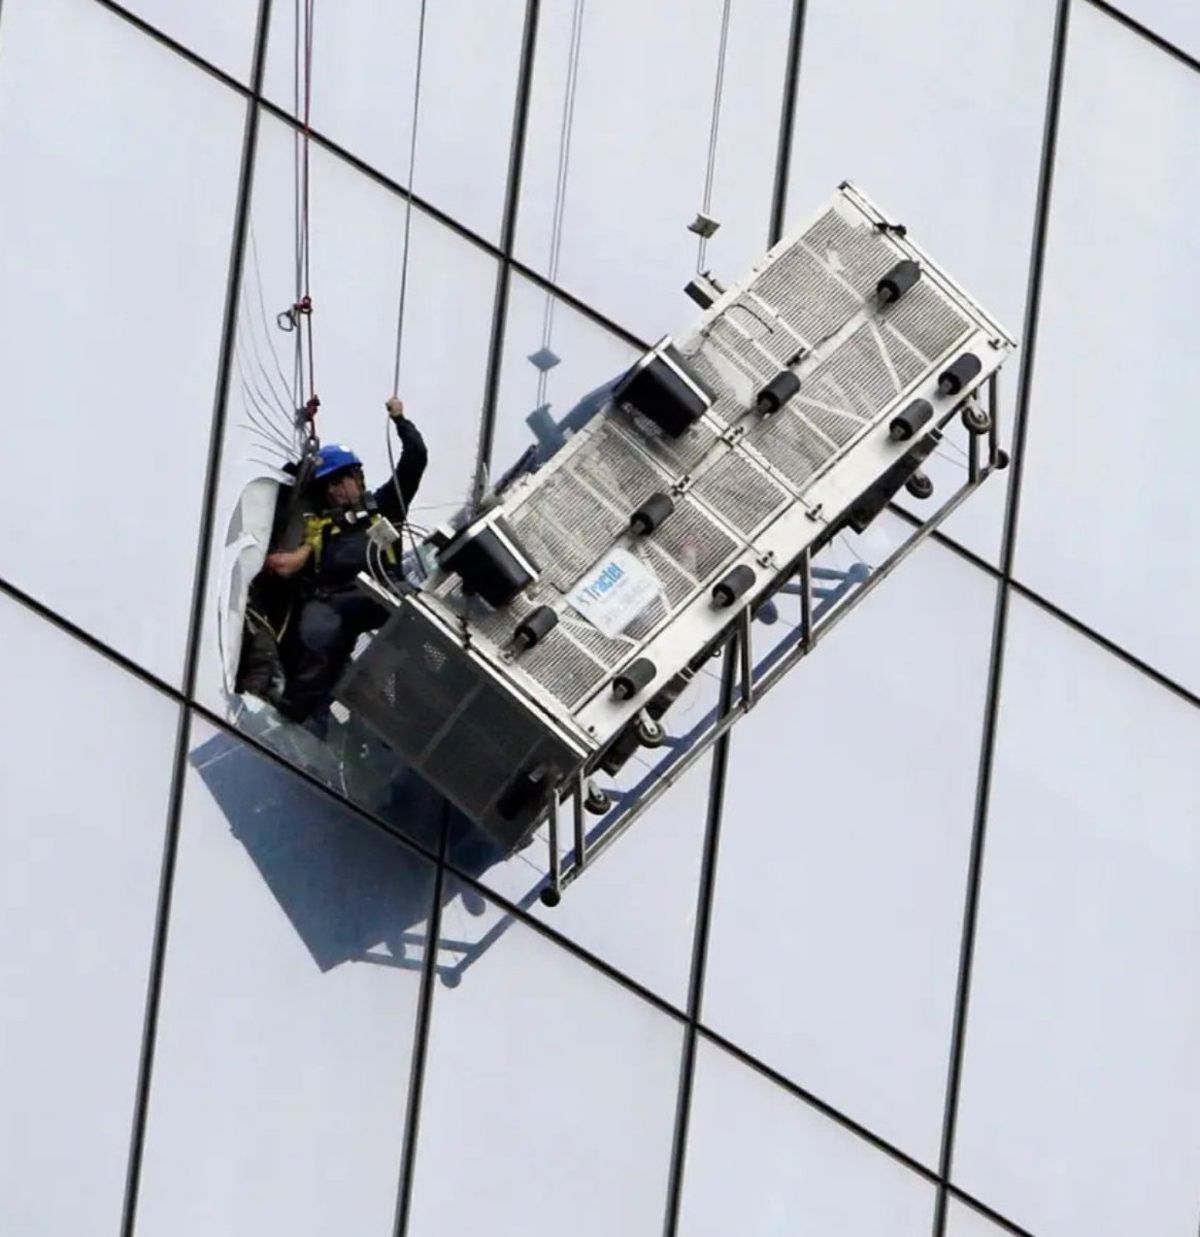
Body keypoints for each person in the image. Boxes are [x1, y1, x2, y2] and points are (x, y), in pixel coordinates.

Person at [266, 396, 427, 724]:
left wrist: (400, 421)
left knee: (418, 617)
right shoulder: (319, 528)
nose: (336, 490)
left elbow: (416, 458)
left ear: (357, 477)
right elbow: (290, 561)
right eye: (329, 485)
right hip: (334, 603)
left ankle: (418, 695)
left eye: (342, 480)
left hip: (382, 591)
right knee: (316, 641)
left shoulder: (385, 506)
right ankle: (297, 713)